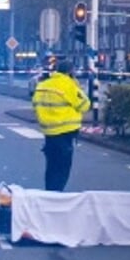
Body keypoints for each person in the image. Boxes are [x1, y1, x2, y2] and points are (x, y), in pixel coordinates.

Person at [31, 56, 90, 192]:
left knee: (51, 166)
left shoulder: (43, 85)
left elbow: (35, 105)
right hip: (66, 132)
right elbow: (84, 105)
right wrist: (76, 86)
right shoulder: (68, 85)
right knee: (63, 167)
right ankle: (56, 195)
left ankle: (49, 192)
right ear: (71, 72)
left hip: (49, 132)